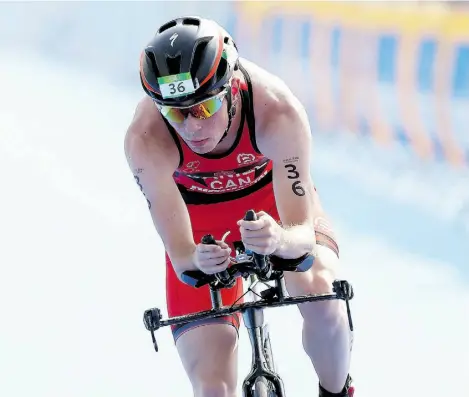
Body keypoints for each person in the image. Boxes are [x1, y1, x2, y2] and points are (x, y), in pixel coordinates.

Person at [125, 16, 354, 397]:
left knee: (322, 296)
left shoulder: (277, 110)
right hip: (200, 225)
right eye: (175, 113)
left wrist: (279, 238)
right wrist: (196, 261)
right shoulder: (145, 138)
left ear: (231, 88)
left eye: (202, 109)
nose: (192, 127)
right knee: (213, 389)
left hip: (274, 204)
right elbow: (181, 256)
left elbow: (301, 235)